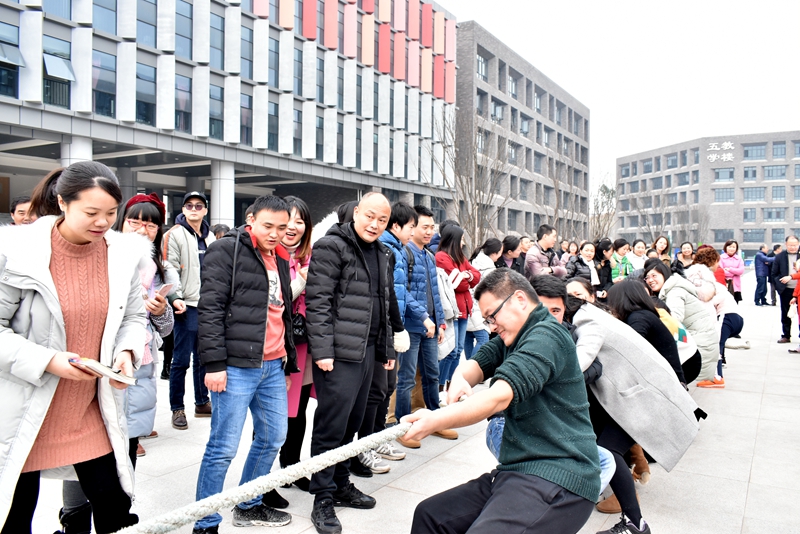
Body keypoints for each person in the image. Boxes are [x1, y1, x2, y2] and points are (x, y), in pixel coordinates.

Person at [0, 162, 146, 534]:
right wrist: (48, 360)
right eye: (91, 212)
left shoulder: (123, 254)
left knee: (115, 511)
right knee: (14, 517)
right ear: (63, 203)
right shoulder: (17, 252)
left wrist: (126, 353)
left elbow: (133, 317)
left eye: (111, 213)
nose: (103, 222)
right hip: (25, 410)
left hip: (90, 408)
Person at [405, 269, 601, 534]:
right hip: (518, 472)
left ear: (519, 299)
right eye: (487, 320)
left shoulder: (547, 335)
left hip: (560, 476)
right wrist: (460, 377)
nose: (491, 326)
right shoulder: (514, 336)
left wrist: (434, 420)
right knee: (431, 515)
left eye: (492, 316)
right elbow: (477, 363)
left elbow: (498, 397)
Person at [59, 192, 179, 533]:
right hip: (93, 367)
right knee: (81, 450)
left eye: (151, 224)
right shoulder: (99, 256)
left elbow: (166, 329)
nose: (142, 229)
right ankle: (74, 521)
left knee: (124, 449)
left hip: (136, 369)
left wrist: (161, 311)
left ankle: (118, 519)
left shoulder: (158, 268)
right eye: (135, 220)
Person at [192, 195, 299, 533]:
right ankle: (205, 522)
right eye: (268, 226)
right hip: (236, 366)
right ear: (251, 219)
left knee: (272, 437)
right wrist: (214, 365)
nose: (275, 234)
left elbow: (282, 312)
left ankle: (249, 504)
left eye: (281, 227)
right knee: (223, 447)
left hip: (272, 365)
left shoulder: (280, 255)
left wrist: (286, 362)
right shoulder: (226, 250)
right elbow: (210, 309)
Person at [305, 192, 405, 534]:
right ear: (356, 212)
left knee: (354, 423)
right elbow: (318, 302)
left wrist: (387, 350)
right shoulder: (331, 246)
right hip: (338, 354)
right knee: (331, 425)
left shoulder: (383, 253)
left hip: (369, 352)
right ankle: (322, 497)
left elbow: (385, 305)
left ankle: (341, 483)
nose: (375, 225)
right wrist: (323, 351)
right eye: (370, 216)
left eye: (382, 220)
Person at [570, 296, 699, 534]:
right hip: (636, 395)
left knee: (608, 451)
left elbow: (581, 361)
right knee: (606, 448)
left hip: (644, 398)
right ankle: (634, 522)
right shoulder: (596, 315)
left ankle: (635, 524)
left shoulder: (586, 321)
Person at [353, 202, 418, 475]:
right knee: (375, 392)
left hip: (390, 329)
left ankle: (376, 439)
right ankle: (364, 446)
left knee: (384, 388)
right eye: (413, 226)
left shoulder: (392, 250)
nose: (415, 232)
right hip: (376, 333)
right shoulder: (385, 250)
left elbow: (393, 295)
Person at [163, 191, 215, 430]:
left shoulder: (210, 236)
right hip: (186, 305)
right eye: (189, 205)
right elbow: (169, 269)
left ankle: (202, 402)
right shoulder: (174, 234)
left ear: (205, 210)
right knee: (181, 360)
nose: (194, 209)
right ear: (183, 209)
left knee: (204, 358)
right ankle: (177, 408)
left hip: (208, 306)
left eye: (199, 206)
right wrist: (175, 297)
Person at [278, 196, 316, 493]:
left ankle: (291, 466)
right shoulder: (268, 256)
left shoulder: (311, 258)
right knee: (274, 415)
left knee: (299, 410)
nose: (292, 226)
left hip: (305, 345)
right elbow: (273, 303)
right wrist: (301, 282)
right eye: (287, 219)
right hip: (278, 348)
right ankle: (264, 481)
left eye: (299, 221)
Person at [643, 260, 719, 381]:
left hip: (700, 341)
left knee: (677, 380)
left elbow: (675, 317)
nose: (650, 280)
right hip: (701, 338)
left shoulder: (674, 292)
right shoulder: (671, 289)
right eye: (647, 277)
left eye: (654, 276)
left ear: (664, 274)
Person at [688, 247, 744, 388]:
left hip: (726, 315)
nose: (718, 265)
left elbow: (716, 297)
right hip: (731, 316)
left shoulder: (705, 279)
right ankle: (714, 376)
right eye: (717, 262)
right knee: (715, 344)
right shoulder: (705, 277)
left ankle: (717, 378)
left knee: (716, 344)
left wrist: (706, 304)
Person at [435, 225, 481, 391]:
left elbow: (477, 275)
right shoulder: (441, 257)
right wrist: (467, 278)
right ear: (453, 240)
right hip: (452, 310)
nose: (463, 242)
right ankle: (440, 386)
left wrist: (466, 275)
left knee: (458, 350)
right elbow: (458, 285)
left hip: (464, 308)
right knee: (450, 351)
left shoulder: (460, 257)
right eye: (461, 239)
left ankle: (451, 385)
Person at [465, 238, 502, 360]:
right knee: (483, 339)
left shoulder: (473, 261)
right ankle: (472, 365)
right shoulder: (490, 269)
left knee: (468, 336)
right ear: (495, 253)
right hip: (479, 307)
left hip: (467, 303)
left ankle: (468, 365)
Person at [771, 235, 799, 343]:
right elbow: (774, 274)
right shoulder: (780, 257)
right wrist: (780, 287)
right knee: (785, 313)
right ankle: (786, 335)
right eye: (790, 245)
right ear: (786, 245)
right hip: (786, 289)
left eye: (795, 245)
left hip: (799, 289)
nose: (793, 247)